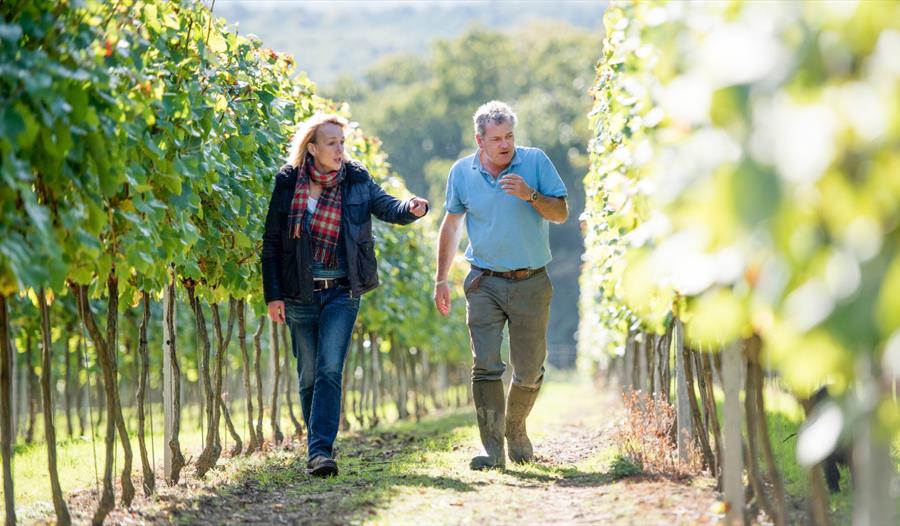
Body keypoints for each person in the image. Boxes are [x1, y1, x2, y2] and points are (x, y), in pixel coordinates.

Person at [262, 113, 428, 477]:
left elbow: (388, 207)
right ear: (313, 147)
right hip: (298, 293)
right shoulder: (289, 182)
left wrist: (412, 208)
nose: (340, 149)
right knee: (307, 375)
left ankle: (320, 452)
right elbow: (272, 241)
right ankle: (316, 445)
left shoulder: (356, 178)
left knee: (329, 369)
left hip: (341, 290)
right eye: (332, 143)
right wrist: (273, 295)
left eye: (342, 142)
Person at [433, 101, 568, 470]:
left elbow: (561, 213)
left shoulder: (536, 162)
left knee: (529, 369)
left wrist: (531, 195)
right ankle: (492, 451)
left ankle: (516, 428)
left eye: (509, 135)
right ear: (480, 140)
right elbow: (451, 226)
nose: (505, 144)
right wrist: (441, 279)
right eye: (496, 138)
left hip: (531, 281)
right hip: (484, 282)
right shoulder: (461, 172)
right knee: (486, 365)